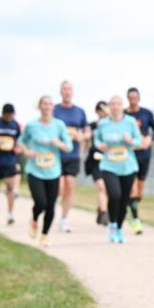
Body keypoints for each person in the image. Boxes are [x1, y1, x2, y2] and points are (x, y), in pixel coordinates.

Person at [17, 96, 72, 247]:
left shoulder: (59, 125)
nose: (47, 107)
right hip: (35, 170)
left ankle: (45, 235)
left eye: (50, 104)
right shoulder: (31, 125)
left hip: (53, 171)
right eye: (44, 104)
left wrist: (59, 143)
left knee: (51, 205)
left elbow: (69, 146)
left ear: (53, 107)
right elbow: (21, 142)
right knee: (40, 202)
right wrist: (26, 151)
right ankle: (34, 219)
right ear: (40, 106)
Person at [93, 95, 142, 244]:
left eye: (118, 104)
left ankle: (119, 228)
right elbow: (97, 140)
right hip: (108, 165)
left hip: (128, 166)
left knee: (124, 199)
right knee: (114, 195)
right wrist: (100, 145)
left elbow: (138, 141)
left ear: (122, 106)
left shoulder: (130, 122)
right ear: (109, 107)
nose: (115, 106)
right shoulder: (103, 124)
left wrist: (130, 141)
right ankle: (112, 225)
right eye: (112, 104)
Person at [53, 80, 90, 233]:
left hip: (73, 155)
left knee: (69, 187)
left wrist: (82, 138)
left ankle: (64, 219)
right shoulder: (55, 110)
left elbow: (87, 132)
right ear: (60, 92)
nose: (67, 92)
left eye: (69, 89)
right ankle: (50, 211)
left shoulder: (79, 112)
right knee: (59, 188)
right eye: (64, 89)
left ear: (72, 92)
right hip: (56, 155)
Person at [125, 87, 154, 234]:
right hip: (129, 155)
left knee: (139, 190)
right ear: (128, 99)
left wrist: (150, 138)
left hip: (144, 155)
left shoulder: (146, 114)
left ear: (138, 98)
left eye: (135, 98)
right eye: (130, 98)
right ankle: (136, 219)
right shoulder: (124, 115)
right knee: (132, 187)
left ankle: (132, 206)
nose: (133, 100)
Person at [84, 100, 110, 225]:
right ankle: (105, 213)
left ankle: (101, 209)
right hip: (95, 161)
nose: (102, 113)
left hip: (110, 159)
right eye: (100, 111)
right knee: (102, 187)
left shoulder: (111, 126)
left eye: (104, 110)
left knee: (107, 188)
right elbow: (86, 140)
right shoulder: (92, 126)